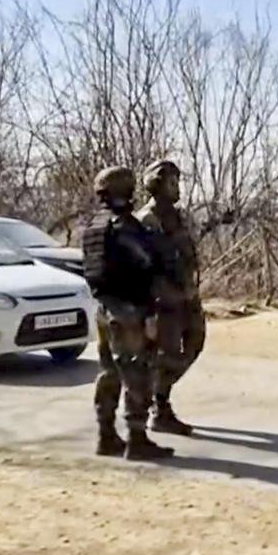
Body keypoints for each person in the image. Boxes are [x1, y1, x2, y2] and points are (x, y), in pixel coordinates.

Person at [84, 166, 175, 460]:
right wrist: (149, 313)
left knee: (109, 373)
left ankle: (106, 436)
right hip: (129, 311)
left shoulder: (94, 226)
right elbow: (144, 269)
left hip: (104, 308)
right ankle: (137, 439)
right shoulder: (124, 227)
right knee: (137, 372)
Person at [136, 159, 205, 436]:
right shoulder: (146, 220)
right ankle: (158, 407)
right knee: (166, 354)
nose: (177, 188)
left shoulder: (180, 216)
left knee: (195, 344)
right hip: (162, 301)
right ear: (157, 185)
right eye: (172, 183)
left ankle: (157, 395)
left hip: (187, 295)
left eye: (178, 182)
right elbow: (140, 268)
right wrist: (147, 311)